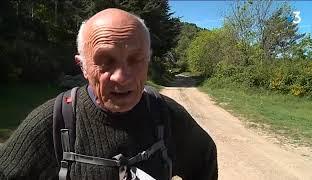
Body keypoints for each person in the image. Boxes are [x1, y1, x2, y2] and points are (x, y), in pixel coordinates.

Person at [0, 8, 218, 180]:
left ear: (148, 61)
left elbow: (204, 160)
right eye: (106, 61)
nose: (122, 77)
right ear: (83, 66)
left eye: (135, 60)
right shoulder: (52, 122)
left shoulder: (167, 114)